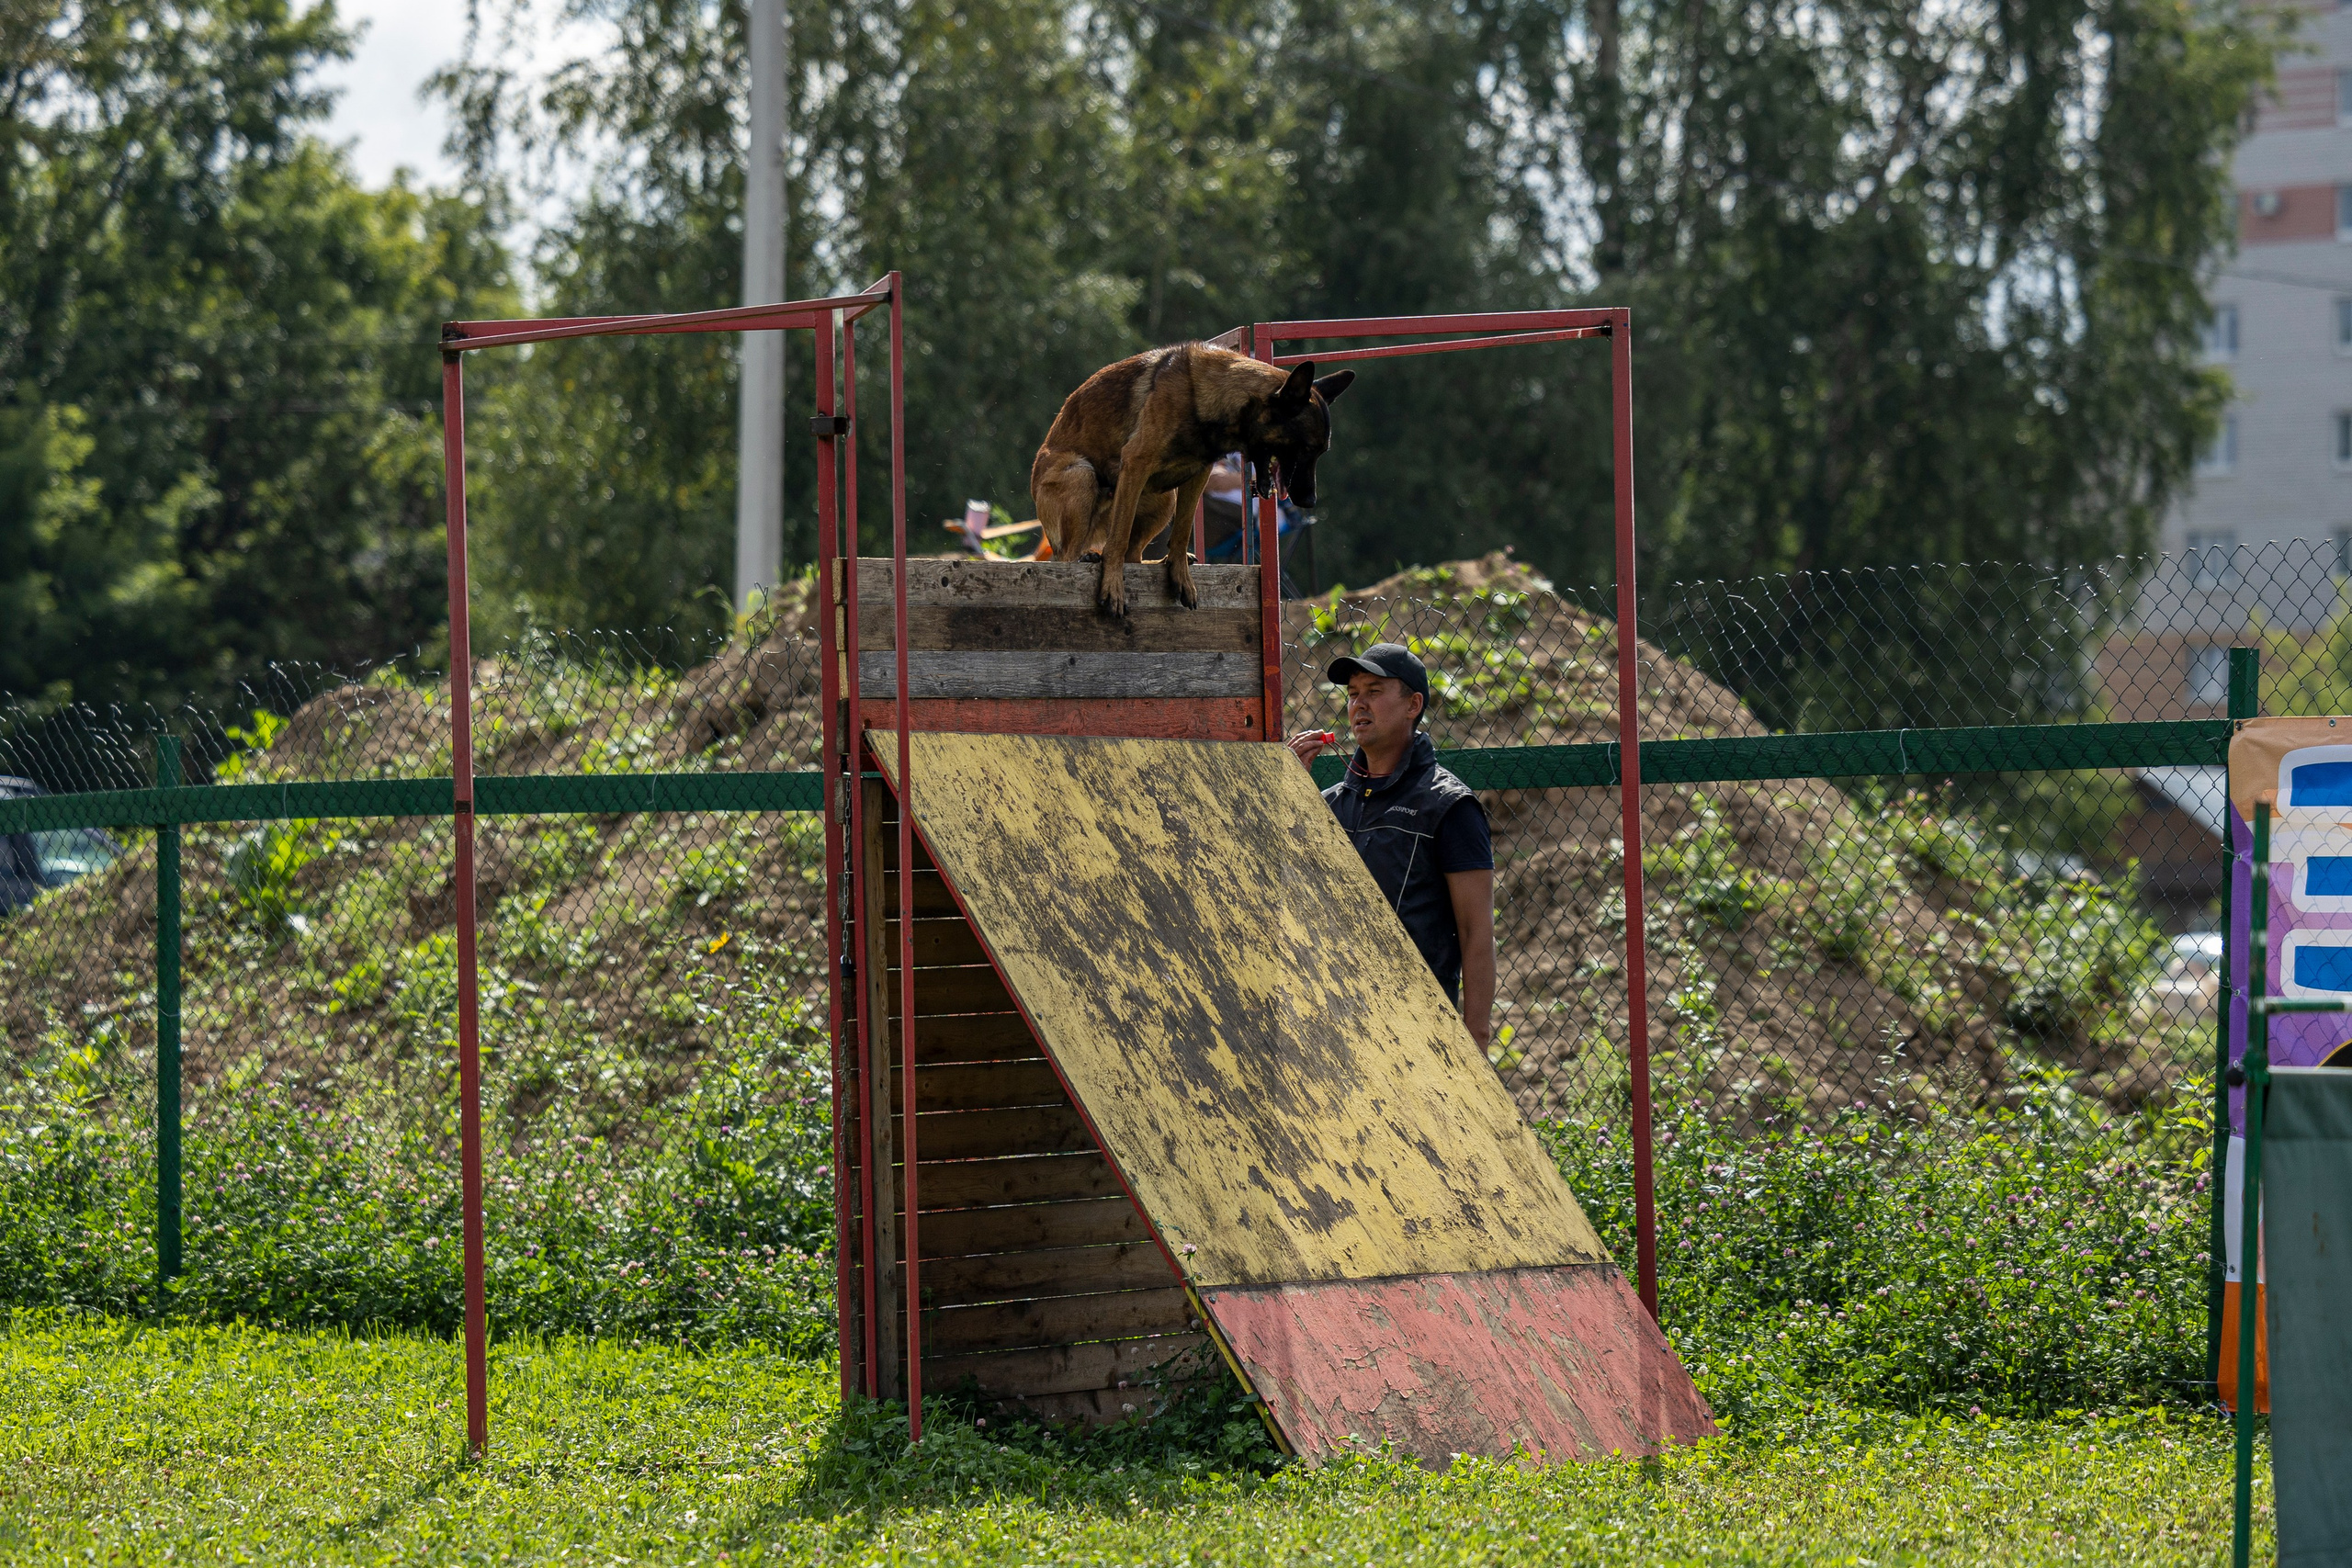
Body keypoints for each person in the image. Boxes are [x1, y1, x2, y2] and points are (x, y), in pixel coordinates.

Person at [1287, 643, 1497, 1051]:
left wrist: (1476, 1043)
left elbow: (1477, 934)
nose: (1358, 705)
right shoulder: (1328, 806)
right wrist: (1289, 796)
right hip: (1332, 1029)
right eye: (1352, 694)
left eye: (1374, 691)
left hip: (1415, 1034)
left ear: (1412, 704)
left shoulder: (1450, 806)